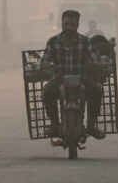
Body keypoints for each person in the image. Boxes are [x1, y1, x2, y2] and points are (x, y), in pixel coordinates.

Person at [40, 10, 106, 140]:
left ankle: (91, 125)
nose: (69, 27)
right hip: (60, 78)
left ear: (77, 25)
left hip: (82, 77)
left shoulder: (86, 41)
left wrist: (97, 63)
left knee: (97, 91)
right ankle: (54, 123)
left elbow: (95, 58)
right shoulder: (52, 42)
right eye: (66, 24)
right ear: (62, 24)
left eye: (72, 24)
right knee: (47, 91)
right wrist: (43, 66)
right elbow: (45, 60)